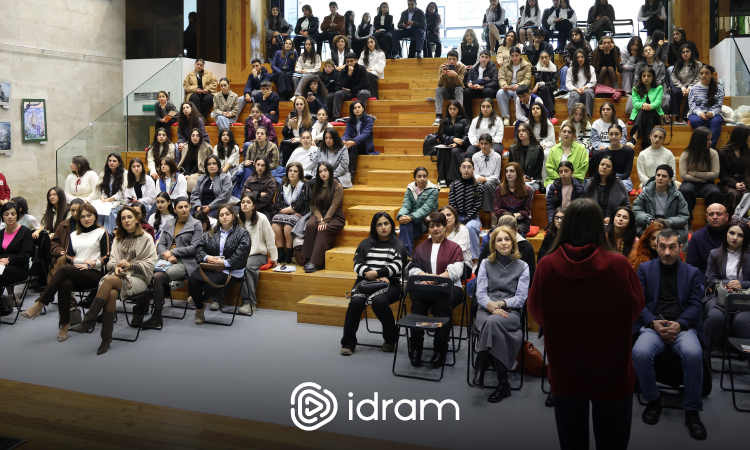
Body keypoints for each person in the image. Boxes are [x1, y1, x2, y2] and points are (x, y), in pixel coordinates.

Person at [529, 198, 644, 450]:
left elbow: (536, 312)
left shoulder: (547, 265)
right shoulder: (619, 264)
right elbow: (636, 309)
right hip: (612, 368)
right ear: (599, 227)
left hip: (565, 367)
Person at [633, 228, 708, 441]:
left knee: (693, 354)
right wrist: (653, 323)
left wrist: (680, 324)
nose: (667, 252)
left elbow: (696, 305)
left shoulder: (692, 272)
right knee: (639, 353)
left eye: (672, 247)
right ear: (656, 247)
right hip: (654, 325)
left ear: (680, 248)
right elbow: (639, 302)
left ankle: (692, 410)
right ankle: (653, 400)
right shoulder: (645, 269)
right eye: (663, 247)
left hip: (682, 326)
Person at [70, 206, 156, 355]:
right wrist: (116, 267)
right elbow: (110, 261)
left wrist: (130, 265)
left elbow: (151, 263)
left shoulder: (146, 238)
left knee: (109, 281)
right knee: (111, 294)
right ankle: (106, 338)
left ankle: (89, 320)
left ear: (137, 219)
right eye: (123, 218)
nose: (126, 220)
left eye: (129, 217)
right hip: (118, 276)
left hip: (138, 278)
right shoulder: (118, 239)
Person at [20, 203, 109, 342]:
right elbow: (68, 257)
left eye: (89, 215)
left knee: (63, 269)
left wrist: (91, 264)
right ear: (78, 219)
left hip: (95, 273)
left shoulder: (101, 232)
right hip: (77, 271)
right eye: (83, 216)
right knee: (65, 284)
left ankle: (40, 303)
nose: (86, 219)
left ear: (95, 216)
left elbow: (106, 256)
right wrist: (83, 261)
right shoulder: (74, 235)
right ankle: (64, 324)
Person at [472, 225, 529, 402]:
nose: (503, 243)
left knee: (492, 323)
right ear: (493, 244)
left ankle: (480, 367)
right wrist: (491, 306)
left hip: (510, 312)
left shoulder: (523, 266)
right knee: (492, 323)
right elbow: (480, 292)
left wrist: (501, 304)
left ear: (513, 243)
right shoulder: (485, 263)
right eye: (499, 240)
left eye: (507, 239)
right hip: (486, 309)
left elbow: (521, 298)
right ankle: (503, 383)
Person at [341, 212, 407, 355]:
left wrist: (377, 274)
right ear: (374, 227)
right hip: (365, 281)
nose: (383, 227)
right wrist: (374, 276)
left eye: (386, 223)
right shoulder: (365, 244)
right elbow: (357, 265)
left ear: (391, 225)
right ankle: (347, 343)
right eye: (379, 224)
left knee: (379, 302)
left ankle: (390, 339)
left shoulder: (399, 245)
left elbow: (397, 266)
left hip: (391, 283)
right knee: (355, 302)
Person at [407, 211, 464, 367]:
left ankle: (440, 349)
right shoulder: (420, 248)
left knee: (442, 307)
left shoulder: (455, 247)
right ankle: (416, 348)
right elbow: (413, 269)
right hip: (425, 288)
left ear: (445, 227)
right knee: (417, 306)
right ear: (428, 228)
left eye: (438, 225)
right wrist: (425, 276)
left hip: (449, 288)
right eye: (432, 226)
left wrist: (437, 278)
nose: (435, 229)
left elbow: (457, 269)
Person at [189, 204, 250, 324]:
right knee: (192, 280)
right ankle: (199, 305)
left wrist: (224, 262)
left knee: (213, 283)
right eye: (221, 215)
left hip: (232, 269)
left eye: (227, 214)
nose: (224, 217)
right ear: (218, 218)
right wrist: (206, 257)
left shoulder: (242, 232)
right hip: (213, 267)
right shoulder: (212, 231)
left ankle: (198, 303)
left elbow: (242, 254)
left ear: (233, 216)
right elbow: (199, 248)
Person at [148, 197, 201, 328]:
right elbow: (161, 244)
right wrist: (166, 254)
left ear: (189, 207)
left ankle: (157, 317)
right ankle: (141, 309)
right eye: (180, 207)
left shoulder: (196, 224)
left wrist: (173, 252)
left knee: (157, 277)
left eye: (186, 206)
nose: (184, 209)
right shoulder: (169, 223)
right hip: (166, 259)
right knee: (145, 271)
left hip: (185, 262)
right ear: (174, 209)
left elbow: (194, 248)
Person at [704, 219, 750, 354]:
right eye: (732, 233)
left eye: (740, 235)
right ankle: (703, 358)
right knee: (715, 317)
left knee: (742, 321)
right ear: (726, 234)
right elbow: (710, 279)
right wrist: (726, 284)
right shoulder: (715, 253)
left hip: (745, 300)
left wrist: (742, 284)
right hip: (720, 297)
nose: (735, 238)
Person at [301, 162, 345, 273]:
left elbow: (334, 206)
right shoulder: (317, 186)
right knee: (310, 225)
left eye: (325, 170)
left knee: (322, 229)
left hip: (335, 216)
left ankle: (315, 262)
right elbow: (314, 205)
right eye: (320, 171)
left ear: (330, 171)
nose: (323, 173)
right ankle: (307, 259)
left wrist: (325, 221)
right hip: (320, 214)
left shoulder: (338, 186)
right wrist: (319, 217)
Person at [238, 192, 277, 314]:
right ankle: (216, 300)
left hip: (258, 255)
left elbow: (270, 239)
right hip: (240, 255)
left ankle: (249, 303)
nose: (245, 205)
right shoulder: (237, 219)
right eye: (243, 202)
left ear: (254, 205)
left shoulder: (262, 218)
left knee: (246, 266)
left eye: (248, 202)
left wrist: (274, 259)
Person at [633, 165, 690, 242]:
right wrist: (649, 220)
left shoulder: (677, 195)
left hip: (670, 227)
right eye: (658, 175)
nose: (660, 178)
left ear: (670, 179)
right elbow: (637, 211)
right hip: (649, 225)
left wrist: (667, 222)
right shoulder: (645, 193)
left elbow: (684, 216)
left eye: (664, 176)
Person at [679, 127, 723, 226]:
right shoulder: (686, 154)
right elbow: (684, 176)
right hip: (690, 182)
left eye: (710, 139)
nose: (710, 142)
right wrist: (703, 178)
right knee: (685, 190)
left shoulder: (713, 153)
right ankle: (686, 222)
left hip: (707, 183)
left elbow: (715, 174)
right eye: (707, 140)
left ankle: (712, 223)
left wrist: (694, 174)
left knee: (715, 192)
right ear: (699, 140)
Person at [271, 162, 311, 265]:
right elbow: (278, 203)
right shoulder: (283, 185)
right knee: (275, 225)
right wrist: (286, 211)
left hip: (300, 214)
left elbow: (301, 204)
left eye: (295, 171)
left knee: (288, 226)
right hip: (289, 213)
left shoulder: (305, 185)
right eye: (290, 171)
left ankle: (289, 252)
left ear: (299, 173)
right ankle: (280, 252)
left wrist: (283, 210)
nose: (292, 173)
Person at [397, 167, 439, 256]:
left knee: (405, 228)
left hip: (427, 222)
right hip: (414, 221)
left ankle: (403, 255)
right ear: (414, 178)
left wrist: (411, 217)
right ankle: (405, 255)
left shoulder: (434, 190)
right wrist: (401, 216)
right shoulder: (410, 189)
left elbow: (426, 208)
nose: (422, 179)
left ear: (427, 177)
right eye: (419, 176)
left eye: (424, 176)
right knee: (405, 223)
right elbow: (406, 205)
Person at [449, 160, 483, 261]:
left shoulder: (479, 186)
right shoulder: (454, 185)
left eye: (469, 167)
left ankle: (474, 259)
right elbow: (452, 204)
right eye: (463, 167)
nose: (466, 170)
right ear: (460, 169)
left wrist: (464, 221)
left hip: (473, 218)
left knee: (470, 227)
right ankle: (450, 257)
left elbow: (477, 207)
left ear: (473, 169)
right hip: (456, 216)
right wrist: (457, 220)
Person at [686, 203, 728, 284]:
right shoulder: (697, 237)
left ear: (726, 217)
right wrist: (708, 283)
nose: (715, 217)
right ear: (706, 217)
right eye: (711, 214)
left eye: (719, 214)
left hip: (730, 279)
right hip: (704, 280)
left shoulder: (734, 235)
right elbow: (692, 266)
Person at [432, 100, 470, 187]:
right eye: (450, 109)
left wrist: (458, 143)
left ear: (459, 109)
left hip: (461, 146)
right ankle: (442, 179)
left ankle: (454, 179)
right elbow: (442, 135)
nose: (452, 111)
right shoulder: (444, 121)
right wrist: (453, 139)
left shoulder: (465, 121)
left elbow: (467, 135)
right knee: (442, 152)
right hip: (447, 144)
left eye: (454, 109)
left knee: (454, 151)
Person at [0, 202, 34, 298]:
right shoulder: (1, 233)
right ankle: (7, 301)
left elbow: (25, 255)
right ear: (2, 216)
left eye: (13, 214)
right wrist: (1, 260)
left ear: (17, 215)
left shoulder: (25, 232)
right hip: (1, 266)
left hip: (19, 268)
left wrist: (8, 261)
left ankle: (7, 301)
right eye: (6, 214)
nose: (9, 217)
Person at [584, 155, 631, 223]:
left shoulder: (618, 183)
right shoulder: (589, 183)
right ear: (598, 166)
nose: (604, 167)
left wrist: (613, 217)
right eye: (602, 164)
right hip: (593, 221)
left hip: (614, 221)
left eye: (608, 166)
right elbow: (585, 205)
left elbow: (627, 206)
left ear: (612, 170)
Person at [626, 43, 669, 117]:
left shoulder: (661, 64)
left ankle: (662, 117)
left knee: (664, 98)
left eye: (650, 50)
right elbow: (637, 78)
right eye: (646, 51)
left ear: (654, 51)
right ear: (643, 54)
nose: (648, 52)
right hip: (642, 87)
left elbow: (660, 79)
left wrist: (650, 87)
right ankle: (633, 117)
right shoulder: (639, 65)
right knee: (632, 98)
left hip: (655, 88)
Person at [688, 64, 724, 149]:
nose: (704, 75)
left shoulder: (719, 88)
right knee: (695, 121)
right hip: (696, 113)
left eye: (707, 73)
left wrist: (712, 112)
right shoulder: (693, 88)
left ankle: (710, 148)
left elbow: (718, 105)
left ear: (712, 74)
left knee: (716, 121)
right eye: (701, 73)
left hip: (713, 113)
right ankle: (702, 146)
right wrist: (699, 113)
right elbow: (692, 105)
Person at [718, 125, 750, 216]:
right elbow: (722, 174)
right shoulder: (722, 152)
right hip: (728, 184)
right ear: (742, 136)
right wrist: (735, 184)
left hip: (746, 183)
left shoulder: (748, 151)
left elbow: (749, 172)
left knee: (746, 193)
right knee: (735, 194)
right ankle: (733, 218)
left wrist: (745, 183)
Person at [470, 134, 503, 220]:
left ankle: (492, 214)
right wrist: (479, 178)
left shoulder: (497, 156)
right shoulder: (475, 156)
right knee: (474, 184)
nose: (483, 146)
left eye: (486, 144)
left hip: (493, 180)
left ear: (491, 144)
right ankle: (474, 214)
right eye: (481, 144)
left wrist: (486, 179)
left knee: (487, 184)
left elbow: (496, 175)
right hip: (479, 179)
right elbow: (475, 173)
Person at [494, 162, 533, 235]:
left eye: (512, 171)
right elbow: (497, 209)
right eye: (506, 171)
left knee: (516, 231)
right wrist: (509, 215)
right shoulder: (499, 189)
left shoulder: (527, 190)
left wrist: (517, 215)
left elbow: (527, 211)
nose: (508, 174)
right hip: (504, 220)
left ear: (518, 173)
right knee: (496, 233)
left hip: (520, 221)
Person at [628, 69, 664, 149]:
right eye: (644, 76)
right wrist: (643, 104)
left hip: (655, 113)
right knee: (649, 119)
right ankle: (646, 144)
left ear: (653, 77)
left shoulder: (659, 88)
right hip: (641, 115)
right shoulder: (635, 89)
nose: (646, 78)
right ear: (640, 77)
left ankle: (634, 137)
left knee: (645, 111)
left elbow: (658, 102)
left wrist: (649, 106)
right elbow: (635, 103)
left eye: (649, 76)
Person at [496, 46, 532, 126]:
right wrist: (504, 85)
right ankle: (506, 117)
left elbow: (528, 79)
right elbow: (501, 78)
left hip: (521, 87)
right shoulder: (505, 65)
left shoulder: (526, 65)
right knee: (500, 93)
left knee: (518, 92)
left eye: (516, 55)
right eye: (512, 56)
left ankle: (519, 117)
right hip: (509, 87)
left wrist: (519, 85)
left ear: (520, 55)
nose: (514, 58)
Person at [592, 124, 634, 191]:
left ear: (621, 135)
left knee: (617, 186)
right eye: (611, 134)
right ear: (608, 135)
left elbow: (627, 173)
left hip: (623, 179)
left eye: (616, 134)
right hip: (606, 178)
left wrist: (615, 179)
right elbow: (598, 172)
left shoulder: (629, 151)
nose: (613, 137)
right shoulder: (602, 153)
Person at [544, 123, 588, 187]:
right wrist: (560, 178)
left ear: (573, 135)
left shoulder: (581, 149)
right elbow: (549, 167)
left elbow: (583, 167)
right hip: (556, 181)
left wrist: (569, 179)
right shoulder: (554, 149)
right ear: (560, 133)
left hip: (575, 182)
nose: (566, 134)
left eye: (569, 132)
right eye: (564, 131)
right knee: (550, 189)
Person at [341, 100, 376, 179]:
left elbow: (365, 134)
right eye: (355, 108)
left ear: (363, 108)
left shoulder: (369, 120)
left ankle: (350, 175)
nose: (357, 109)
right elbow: (346, 133)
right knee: (347, 144)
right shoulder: (350, 121)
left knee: (352, 146)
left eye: (359, 107)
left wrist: (354, 141)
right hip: (352, 145)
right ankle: (346, 174)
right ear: (352, 110)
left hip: (365, 146)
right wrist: (343, 140)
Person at [331, 53, 372, 121]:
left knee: (363, 93)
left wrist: (352, 89)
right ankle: (336, 117)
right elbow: (343, 85)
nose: (349, 63)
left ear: (356, 60)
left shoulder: (362, 69)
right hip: (349, 92)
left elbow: (365, 84)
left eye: (351, 61)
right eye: (347, 61)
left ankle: (361, 116)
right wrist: (349, 74)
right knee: (337, 94)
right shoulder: (343, 71)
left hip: (360, 90)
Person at [95, 153, 128, 234]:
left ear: (119, 163)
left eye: (114, 161)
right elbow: (101, 190)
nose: (111, 163)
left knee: (109, 211)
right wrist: (102, 198)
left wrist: (108, 200)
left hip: (119, 201)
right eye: (109, 161)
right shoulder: (104, 174)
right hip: (106, 201)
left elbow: (122, 192)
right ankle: (98, 232)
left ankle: (109, 233)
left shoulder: (125, 174)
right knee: (97, 210)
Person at [432, 50, 466, 126]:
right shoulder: (443, 67)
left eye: (454, 59)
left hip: (457, 91)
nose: (451, 61)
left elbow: (460, 84)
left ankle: (459, 115)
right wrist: (443, 75)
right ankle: (438, 116)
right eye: (450, 59)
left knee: (459, 88)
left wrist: (455, 76)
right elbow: (439, 84)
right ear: (447, 59)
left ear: (457, 60)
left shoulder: (461, 67)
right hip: (446, 91)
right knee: (438, 89)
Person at [669, 44, 701, 124]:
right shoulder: (678, 64)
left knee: (692, 92)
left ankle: (686, 117)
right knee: (675, 92)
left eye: (687, 51)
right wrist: (682, 87)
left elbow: (698, 77)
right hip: (681, 86)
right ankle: (674, 116)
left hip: (693, 86)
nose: (685, 54)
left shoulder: (698, 64)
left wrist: (690, 87)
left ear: (691, 52)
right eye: (683, 52)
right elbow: (674, 77)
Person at [509, 123, 544, 193]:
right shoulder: (513, 148)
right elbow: (511, 166)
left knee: (526, 190)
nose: (521, 133)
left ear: (530, 133)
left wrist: (527, 177)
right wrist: (520, 178)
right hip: (516, 178)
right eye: (519, 131)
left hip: (533, 179)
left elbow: (538, 169)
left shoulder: (538, 148)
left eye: (523, 130)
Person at [463, 51, 499, 120]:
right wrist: (469, 84)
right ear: (479, 58)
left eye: (486, 57)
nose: (484, 59)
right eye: (482, 57)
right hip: (475, 88)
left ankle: (488, 117)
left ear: (489, 59)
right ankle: (468, 118)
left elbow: (494, 82)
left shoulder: (493, 68)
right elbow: (468, 80)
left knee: (487, 91)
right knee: (466, 91)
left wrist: (483, 87)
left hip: (488, 88)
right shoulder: (473, 68)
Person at [440, 204, 474, 274]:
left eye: (449, 215)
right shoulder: (436, 230)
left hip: (462, 264)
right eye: (443, 216)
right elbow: (430, 248)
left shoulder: (463, 230)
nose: (446, 218)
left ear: (455, 216)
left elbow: (458, 251)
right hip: (440, 263)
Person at [279, 97, 313, 165]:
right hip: (292, 141)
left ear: (305, 105)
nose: (299, 106)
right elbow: (285, 134)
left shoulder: (310, 118)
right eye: (297, 104)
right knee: (285, 148)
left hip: (303, 141)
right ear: (294, 105)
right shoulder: (290, 116)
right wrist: (289, 125)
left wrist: (300, 139)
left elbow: (310, 133)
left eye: (301, 104)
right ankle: (286, 168)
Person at [565, 49, 596, 118]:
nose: (580, 59)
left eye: (582, 57)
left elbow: (593, 82)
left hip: (587, 88)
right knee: (574, 95)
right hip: (575, 89)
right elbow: (568, 83)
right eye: (578, 57)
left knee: (588, 92)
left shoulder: (591, 68)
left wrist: (584, 88)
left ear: (585, 58)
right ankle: (573, 117)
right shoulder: (570, 69)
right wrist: (576, 89)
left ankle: (587, 117)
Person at [531, 50, 558, 119]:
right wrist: (544, 69)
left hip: (551, 88)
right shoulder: (535, 68)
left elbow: (553, 82)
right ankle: (550, 112)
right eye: (542, 58)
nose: (544, 59)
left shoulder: (555, 67)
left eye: (546, 57)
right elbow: (540, 80)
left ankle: (546, 113)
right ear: (539, 58)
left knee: (544, 88)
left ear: (550, 58)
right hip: (541, 88)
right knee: (544, 88)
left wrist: (540, 84)